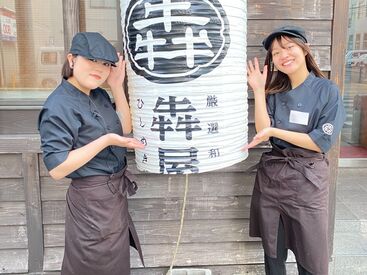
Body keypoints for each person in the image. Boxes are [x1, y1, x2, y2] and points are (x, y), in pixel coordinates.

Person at [38, 32, 145, 275]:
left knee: (115, 265)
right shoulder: (58, 105)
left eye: (106, 64)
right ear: (72, 59)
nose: (99, 69)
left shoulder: (98, 94)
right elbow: (57, 168)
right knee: (91, 265)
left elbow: (125, 128)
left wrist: (117, 86)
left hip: (113, 196)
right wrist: (106, 140)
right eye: (92, 61)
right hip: (90, 202)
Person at [245, 25, 345, 275]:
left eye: (289, 47)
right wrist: (258, 90)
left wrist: (275, 132)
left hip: (308, 182)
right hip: (273, 180)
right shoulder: (275, 92)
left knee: (311, 255)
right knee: (273, 252)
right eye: (276, 53)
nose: (283, 55)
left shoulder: (327, 90)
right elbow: (262, 129)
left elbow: (320, 141)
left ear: (304, 49)